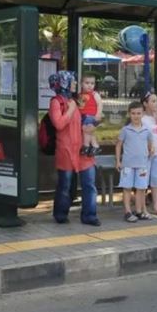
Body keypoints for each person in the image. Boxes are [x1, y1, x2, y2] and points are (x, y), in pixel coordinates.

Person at [48, 71, 100, 226]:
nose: (75, 84)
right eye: (72, 81)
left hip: (83, 149)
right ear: (63, 82)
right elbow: (58, 124)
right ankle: (61, 214)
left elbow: (87, 118)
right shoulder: (56, 102)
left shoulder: (76, 99)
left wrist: (93, 124)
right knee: (65, 185)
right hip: (66, 150)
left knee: (89, 184)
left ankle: (90, 215)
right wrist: (70, 110)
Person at [116, 102, 155, 222]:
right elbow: (118, 145)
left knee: (141, 189)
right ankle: (127, 212)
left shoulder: (147, 130)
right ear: (129, 114)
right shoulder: (125, 130)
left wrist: (151, 150)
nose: (136, 116)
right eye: (133, 113)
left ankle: (139, 211)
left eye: (138, 113)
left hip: (142, 165)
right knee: (127, 188)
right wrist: (118, 161)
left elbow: (150, 144)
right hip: (127, 165)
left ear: (142, 114)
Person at [78, 74, 103, 156]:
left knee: (86, 131)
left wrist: (98, 114)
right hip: (83, 116)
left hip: (91, 116)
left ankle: (86, 146)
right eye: (87, 83)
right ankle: (95, 146)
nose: (90, 85)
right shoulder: (80, 94)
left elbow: (99, 104)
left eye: (92, 83)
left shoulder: (95, 94)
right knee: (90, 132)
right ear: (81, 83)